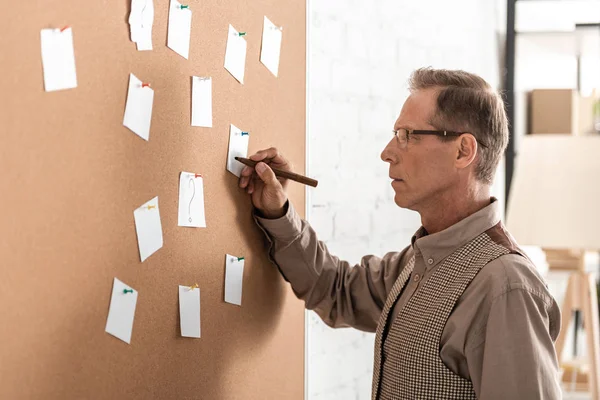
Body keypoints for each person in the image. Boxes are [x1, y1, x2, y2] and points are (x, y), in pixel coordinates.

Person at [238, 68, 562, 399]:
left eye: (407, 135)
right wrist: (277, 211)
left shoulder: (506, 286)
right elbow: (335, 289)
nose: (388, 152)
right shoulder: (420, 259)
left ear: (463, 151)